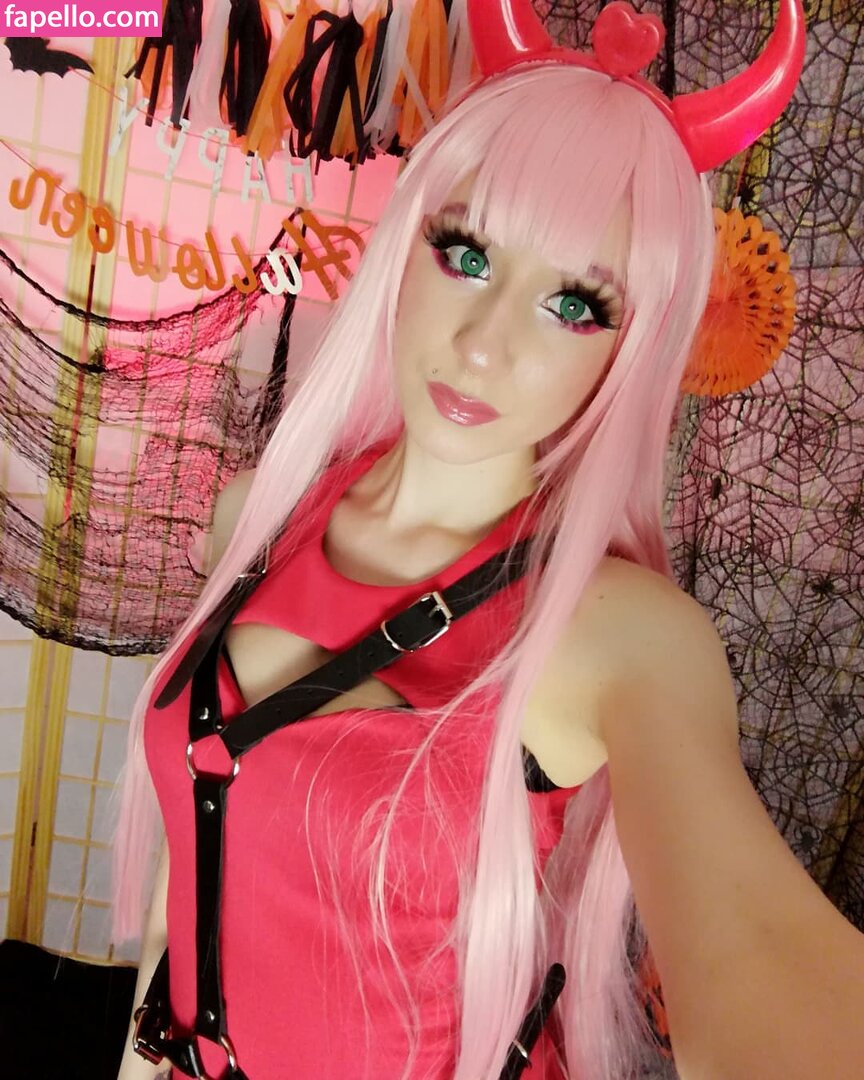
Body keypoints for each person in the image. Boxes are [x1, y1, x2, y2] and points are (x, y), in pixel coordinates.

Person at [114, 1, 864, 1077]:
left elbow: (762, 963)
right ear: (406, 246)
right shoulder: (255, 520)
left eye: (575, 306)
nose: (484, 346)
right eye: (466, 254)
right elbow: (189, 886)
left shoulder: (618, 637)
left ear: (630, 351)